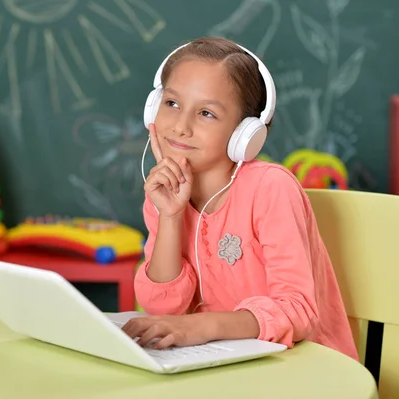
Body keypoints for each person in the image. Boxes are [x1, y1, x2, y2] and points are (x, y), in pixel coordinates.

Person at [121, 36, 358, 361]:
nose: (180, 126)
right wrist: (171, 217)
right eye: (172, 104)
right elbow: (162, 307)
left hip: (300, 368)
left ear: (245, 133)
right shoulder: (164, 192)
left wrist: (199, 327)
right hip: (217, 362)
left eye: (206, 113)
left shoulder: (270, 188)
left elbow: (298, 311)